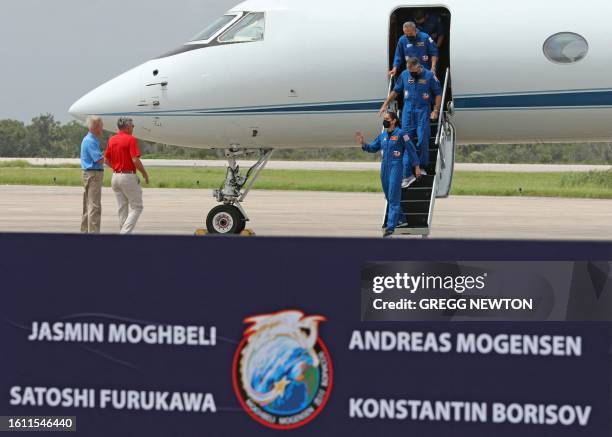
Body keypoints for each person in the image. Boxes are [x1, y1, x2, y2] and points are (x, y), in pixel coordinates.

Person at [355, 112, 421, 237]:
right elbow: (373, 147)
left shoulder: (402, 134)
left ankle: (391, 227)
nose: (385, 121)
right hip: (384, 168)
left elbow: (411, 150)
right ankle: (402, 220)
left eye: (387, 119)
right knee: (389, 196)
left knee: (393, 197)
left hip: (396, 168)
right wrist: (363, 144)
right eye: (384, 119)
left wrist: (417, 166)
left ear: (394, 120)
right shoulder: (383, 135)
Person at [380, 57, 442, 186]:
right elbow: (396, 91)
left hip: (422, 111)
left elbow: (438, 93)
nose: (412, 74)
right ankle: (407, 174)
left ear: (419, 67)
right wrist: (386, 104)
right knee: (406, 141)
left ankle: (422, 167)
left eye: (413, 71)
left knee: (422, 139)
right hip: (408, 112)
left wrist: (435, 110)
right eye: (410, 71)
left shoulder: (429, 76)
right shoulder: (404, 74)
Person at [104, 117, 149, 234]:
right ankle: (124, 233)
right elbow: (135, 160)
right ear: (128, 127)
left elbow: (106, 159)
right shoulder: (131, 139)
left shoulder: (112, 140)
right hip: (128, 176)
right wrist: (144, 173)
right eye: (133, 126)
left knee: (122, 208)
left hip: (115, 176)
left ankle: (123, 234)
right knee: (137, 207)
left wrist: (116, 167)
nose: (133, 128)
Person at [80, 115, 105, 233]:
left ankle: (84, 232)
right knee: (94, 207)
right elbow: (98, 159)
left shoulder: (89, 139)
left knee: (87, 206)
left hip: (89, 174)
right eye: (100, 126)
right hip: (93, 175)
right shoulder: (91, 141)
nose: (102, 129)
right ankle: (94, 234)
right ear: (94, 127)